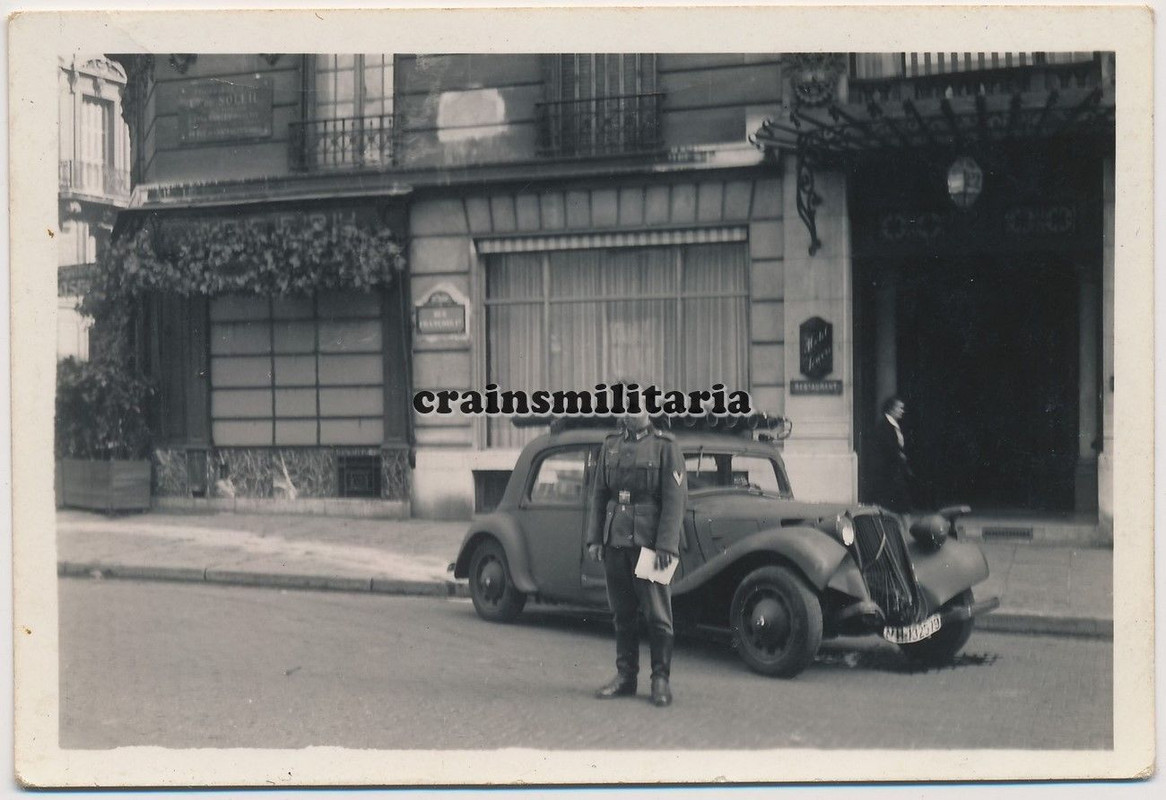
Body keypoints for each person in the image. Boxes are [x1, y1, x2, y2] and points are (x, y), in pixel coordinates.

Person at [585, 400, 687, 707]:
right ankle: (625, 677)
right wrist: (595, 539)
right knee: (622, 613)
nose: (627, 413)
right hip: (616, 540)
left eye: (634, 406)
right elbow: (599, 494)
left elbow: (674, 501)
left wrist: (666, 546)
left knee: (658, 615)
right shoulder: (610, 445)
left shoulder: (665, 447)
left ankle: (660, 680)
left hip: (651, 543)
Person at [872, 395, 914, 513]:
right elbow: (888, 448)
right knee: (897, 504)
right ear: (891, 409)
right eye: (899, 408)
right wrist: (899, 455)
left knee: (899, 504)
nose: (902, 411)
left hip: (895, 470)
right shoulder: (884, 426)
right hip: (888, 472)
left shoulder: (895, 425)